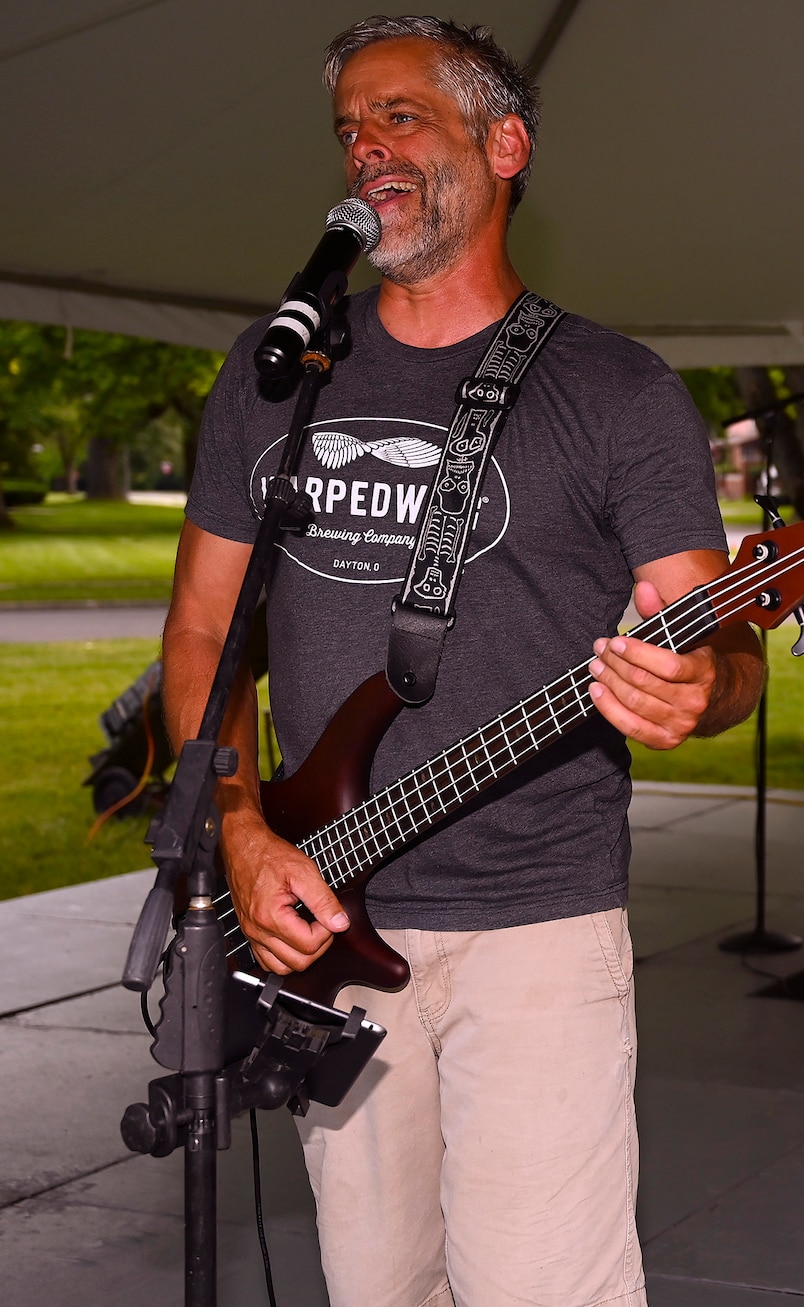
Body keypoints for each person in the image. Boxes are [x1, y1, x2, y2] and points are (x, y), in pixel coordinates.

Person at [164, 18, 763, 1307]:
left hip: (535, 928)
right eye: (349, 128)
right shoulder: (276, 376)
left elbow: (714, 631)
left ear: (503, 146)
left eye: (402, 119)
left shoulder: (614, 389)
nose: (366, 147)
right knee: (374, 1286)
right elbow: (206, 635)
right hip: (322, 910)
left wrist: (707, 684)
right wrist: (239, 833)